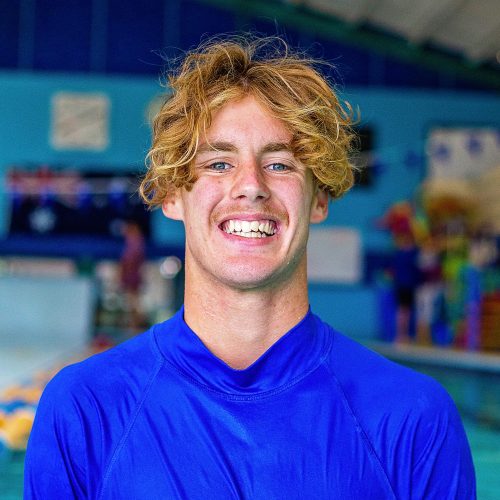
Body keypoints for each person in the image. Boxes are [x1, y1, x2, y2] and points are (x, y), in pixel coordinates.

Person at [25, 35, 476, 499]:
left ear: (319, 198)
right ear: (172, 196)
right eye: (219, 163)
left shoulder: (412, 418)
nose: (251, 187)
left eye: (279, 164)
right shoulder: (85, 409)